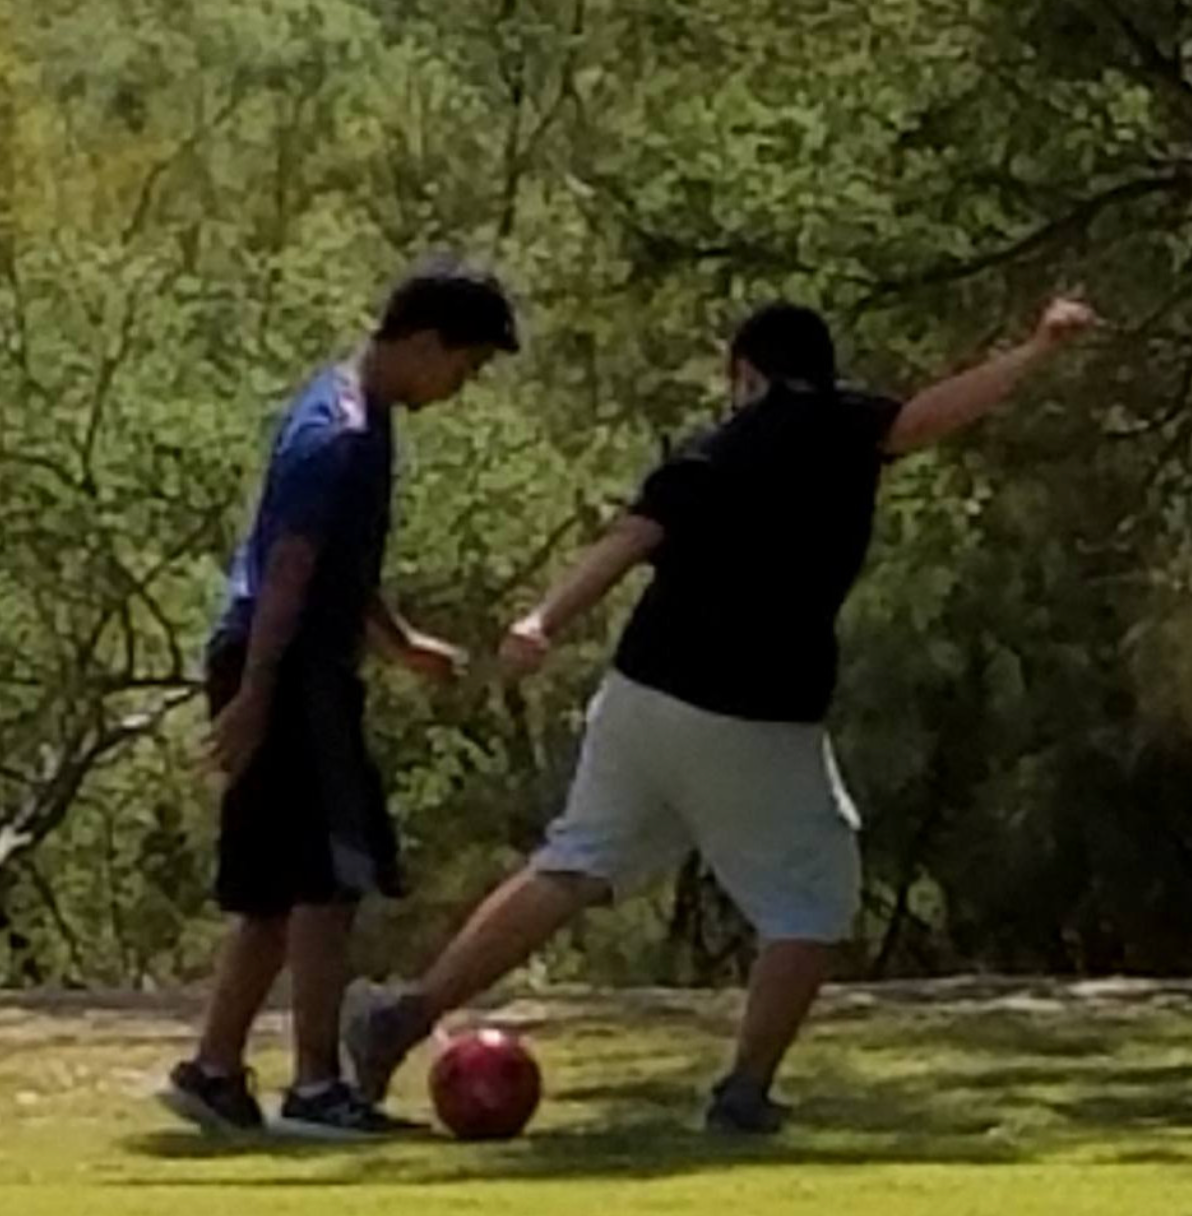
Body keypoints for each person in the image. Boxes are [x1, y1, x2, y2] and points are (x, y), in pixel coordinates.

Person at [345, 294, 1096, 1134]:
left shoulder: (712, 449)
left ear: (747, 371)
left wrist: (542, 621)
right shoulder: (844, 425)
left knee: (573, 862)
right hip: (755, 710)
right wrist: (1035, 349)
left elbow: (627, 542)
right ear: (821, 372)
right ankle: (743, 1094)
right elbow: (933, 414)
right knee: (811, 898)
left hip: (642, 693)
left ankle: (403, 1017)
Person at [159, 260, 519, 1138]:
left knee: (280, 889)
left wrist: (396, 641)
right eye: (462, 368)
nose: (459, 388)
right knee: (328, 879)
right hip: (284, 668)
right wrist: (253, 696)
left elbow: (336, 560)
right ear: (424, 343)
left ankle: (213, 1070)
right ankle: (317, 1087)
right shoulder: (343, 433)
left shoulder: (356, 408)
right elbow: (288, 569)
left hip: (291, 664)